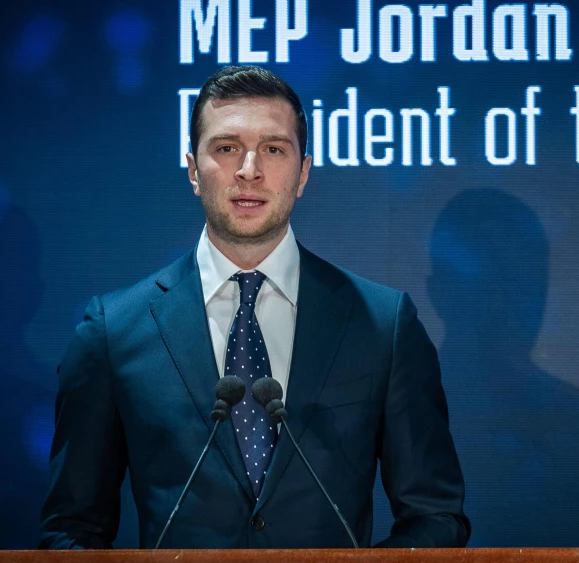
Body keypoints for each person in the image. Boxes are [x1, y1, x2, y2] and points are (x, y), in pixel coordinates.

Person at [38, 65, 469, 550]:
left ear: (303, 173)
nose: (249, 170)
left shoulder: (384, 324)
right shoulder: (112, 331)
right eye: (226, 148)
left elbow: (435, 519)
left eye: (273, 149)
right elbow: (71, 531)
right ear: (193, 170)